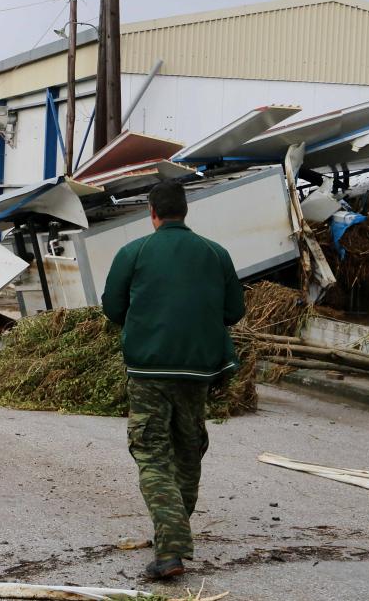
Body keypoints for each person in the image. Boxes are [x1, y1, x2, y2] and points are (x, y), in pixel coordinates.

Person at [101, 179, 245, 581]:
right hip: (198, 371)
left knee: (151, 453)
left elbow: (112, 308)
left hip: (148, 372)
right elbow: (234, 312)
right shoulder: (216, 254)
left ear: (152, 212)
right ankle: (173, 534)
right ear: (186, 210)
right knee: (187, 450)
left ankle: (170, 548)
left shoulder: (134, 251)